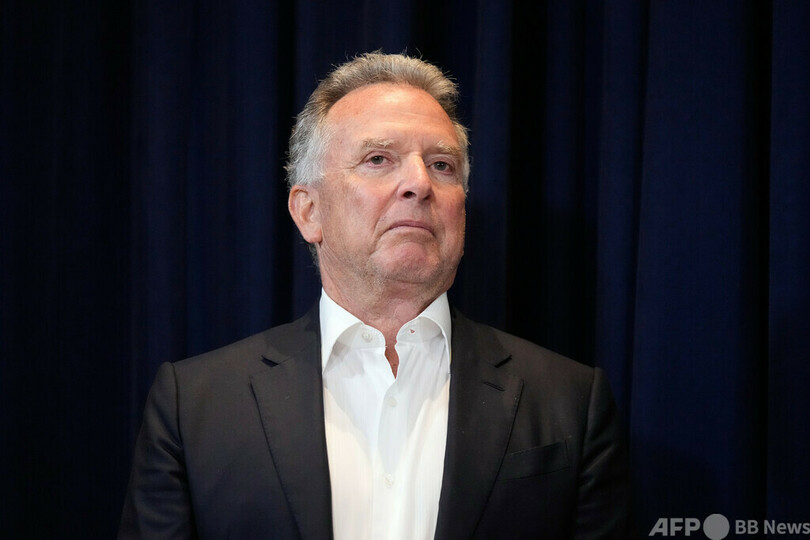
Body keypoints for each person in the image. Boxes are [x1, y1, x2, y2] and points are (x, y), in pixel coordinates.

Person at [119, 52, 630, 539]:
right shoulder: (195, 405)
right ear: (308, 212)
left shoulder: (569, 401)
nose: (419, 183)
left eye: (442, 165)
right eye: (379, 159)